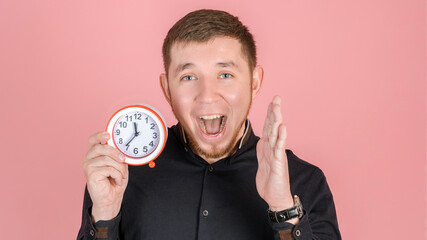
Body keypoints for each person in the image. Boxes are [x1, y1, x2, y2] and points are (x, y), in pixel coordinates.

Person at [77, 9, 341, 240]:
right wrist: (104, 217)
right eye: (189, 77)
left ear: (254, 82)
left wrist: (283, 209)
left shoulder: (304, 182)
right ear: (167, 88)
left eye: (225, 75)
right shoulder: (120, 176)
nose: (207, 95)